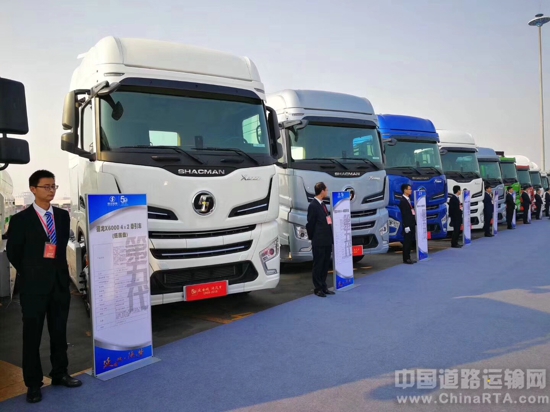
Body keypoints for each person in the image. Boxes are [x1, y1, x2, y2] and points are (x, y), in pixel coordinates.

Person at [6, 170, 82, 404]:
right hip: (33, 288)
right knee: (32, 336)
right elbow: (13, 252)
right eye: (46, 186)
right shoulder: (21, 220)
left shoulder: (62, 216)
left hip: (59, 285)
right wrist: (32, 273)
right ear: (33, 189)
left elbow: (59, 247)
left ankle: (60, 373)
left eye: (53, 186)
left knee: (59, 332)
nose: (51, 191)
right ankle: (33, 383)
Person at [306, 182, 334, 298]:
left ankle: (324, 286)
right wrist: (313, 237)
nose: (327, 192)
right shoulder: (313, 206)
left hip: (326, 239)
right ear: (322, 191)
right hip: (318, 240)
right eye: (326, 190)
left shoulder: (323, 204)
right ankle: (318, 288)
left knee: (325, 264)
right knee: (318, 264)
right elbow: (310, 224)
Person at [398, 184, 416, 264]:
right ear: (405, 190)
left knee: (410, 241)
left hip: (411, 223)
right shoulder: (402, 201)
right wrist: (406, 226)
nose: (410, 190)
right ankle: (406, 258)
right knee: (407, 242)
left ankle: (408, 257)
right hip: (407, 224)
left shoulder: (408, 199)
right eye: (409, 189)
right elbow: (404, 214)